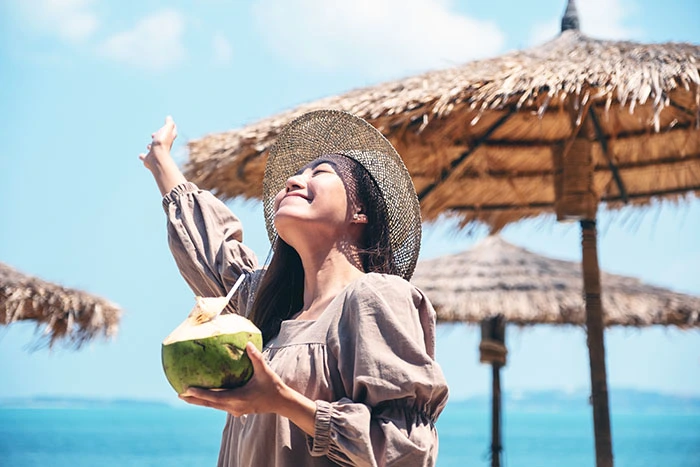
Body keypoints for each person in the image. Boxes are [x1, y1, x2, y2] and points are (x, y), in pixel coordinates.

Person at [140, 110, 449, 466]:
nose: (292, 180)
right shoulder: (266, 306)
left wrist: (282, 400)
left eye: (319, 173)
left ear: (360, 211)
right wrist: (161, 160)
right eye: (297, 173)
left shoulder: (375, 298)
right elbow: (210, 252)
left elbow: (407, 449)